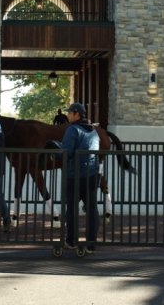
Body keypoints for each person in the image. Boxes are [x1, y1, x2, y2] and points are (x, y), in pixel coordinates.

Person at [61, 102, 100, 254]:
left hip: (75, 175)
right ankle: (91, 244)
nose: (68, 115)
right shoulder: (93, 131)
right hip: (91, 174)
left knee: (71, 208)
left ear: (76, 114)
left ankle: (71, 241)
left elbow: (67, 151)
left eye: (69, 112)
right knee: (92, 209)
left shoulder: (73, 130)